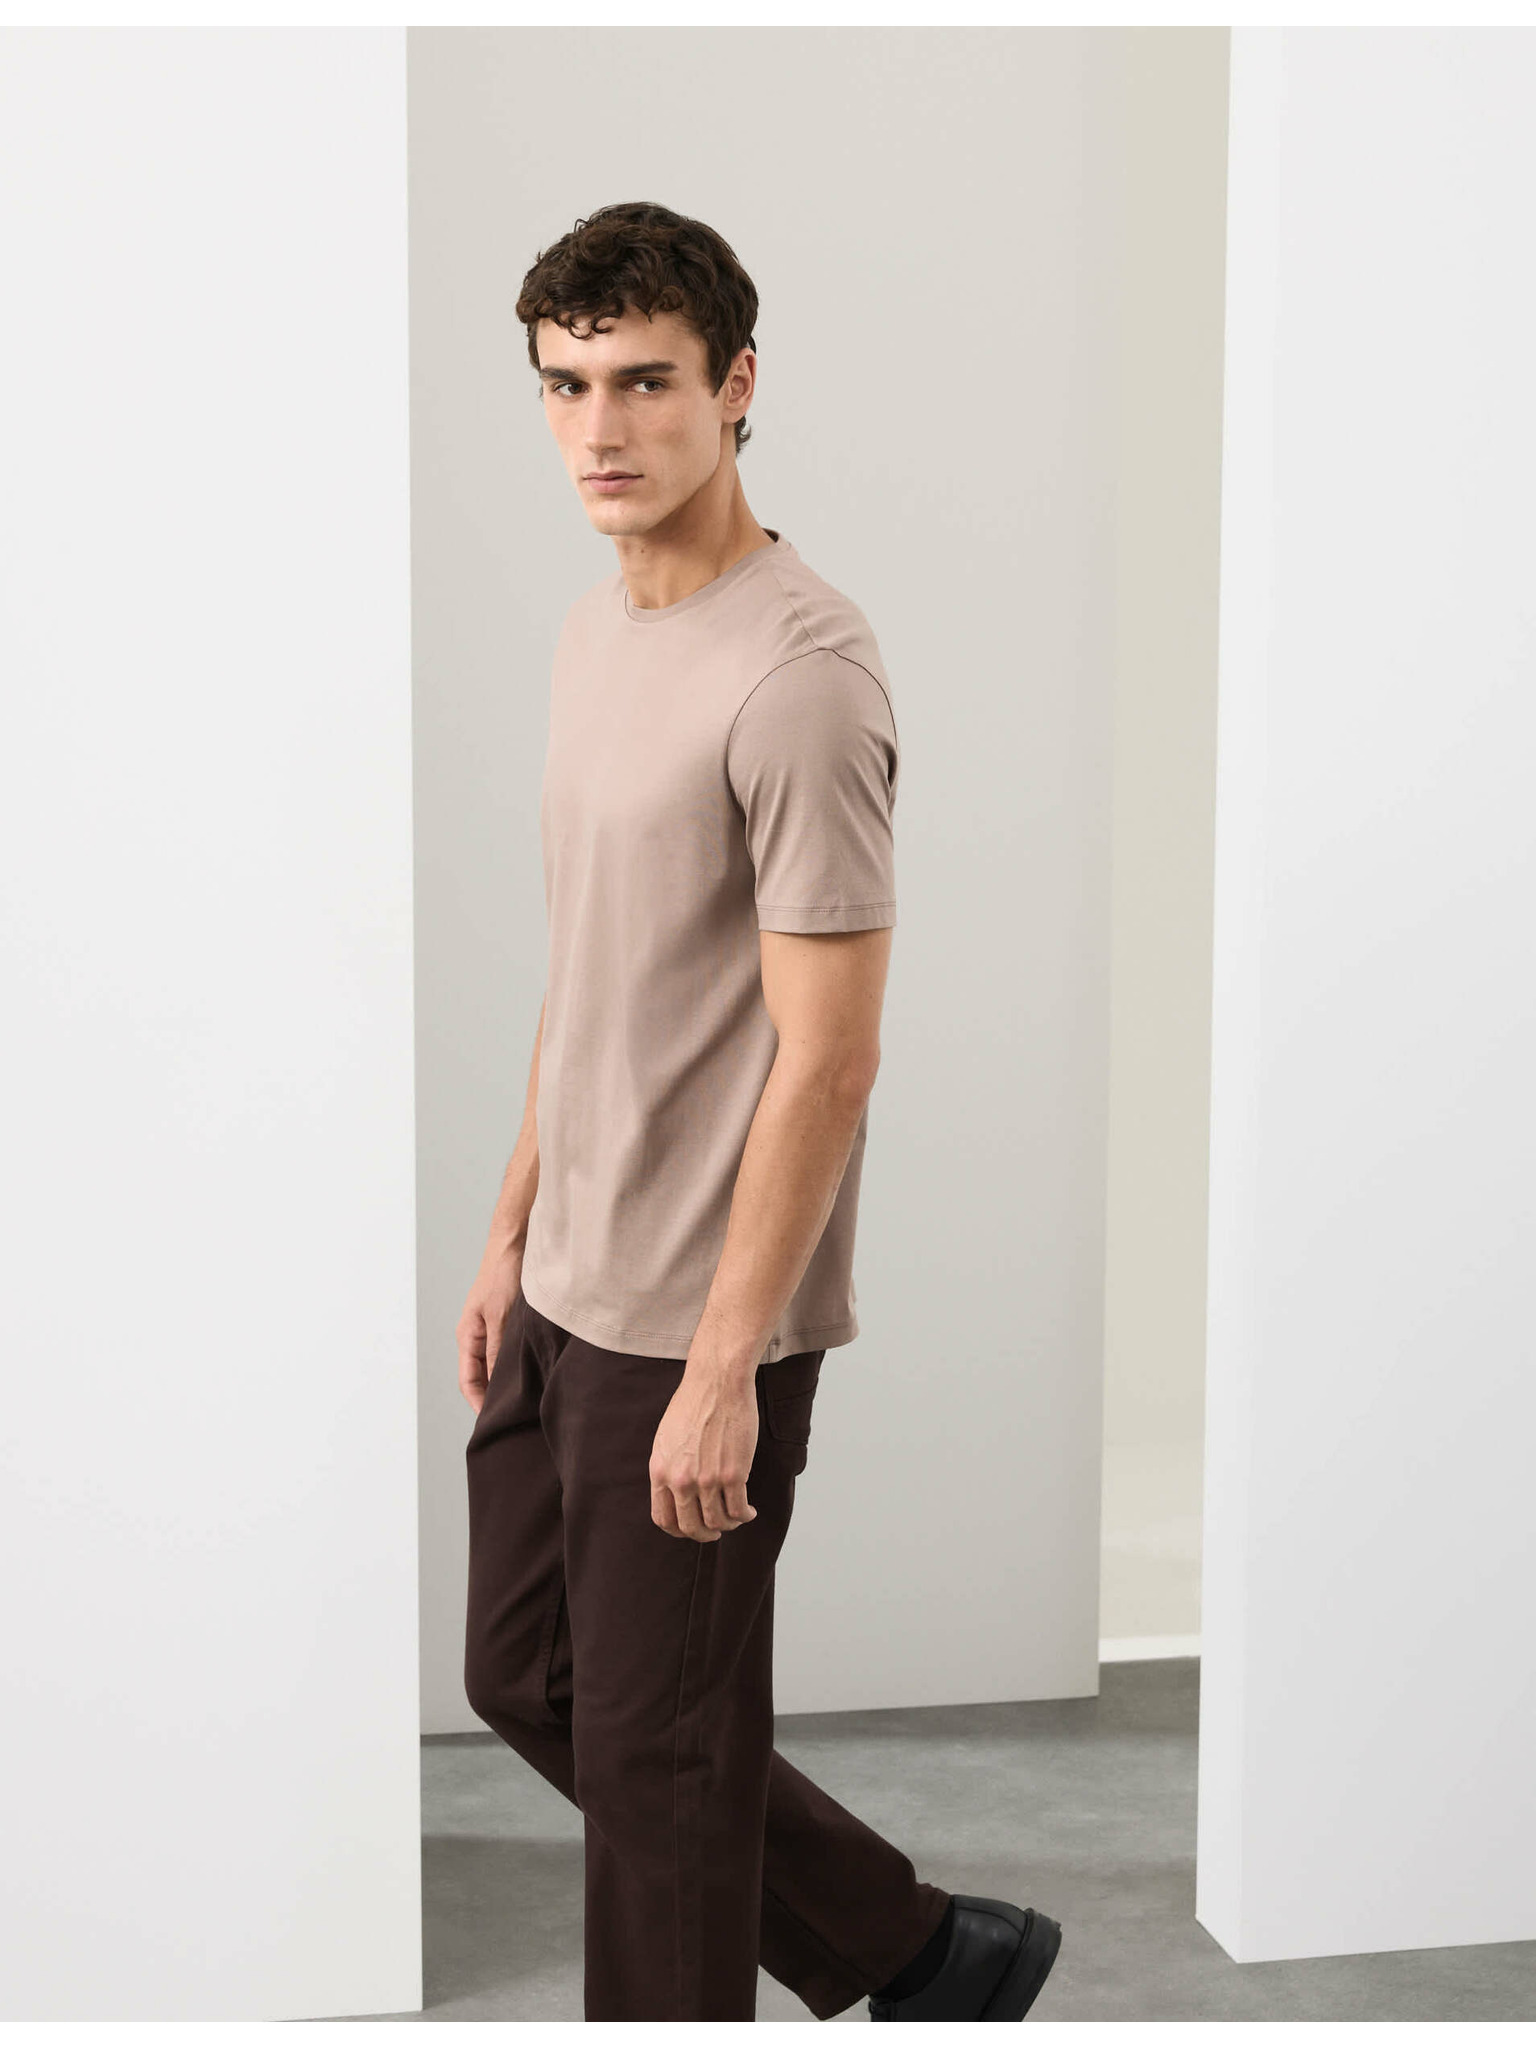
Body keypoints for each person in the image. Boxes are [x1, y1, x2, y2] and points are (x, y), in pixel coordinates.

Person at [456, 199, 1062, 2023]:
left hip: (692, 1318)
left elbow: (832, 1055)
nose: (601, 429)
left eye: (645, 383)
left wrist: (728, 1365)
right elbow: (594, 970)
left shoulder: (800, 678)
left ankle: (889, 1961)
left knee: (658, 1780)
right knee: (529, 1682)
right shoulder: (596, 632)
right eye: (566, 386)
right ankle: (922, 1950)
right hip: (566, 1282)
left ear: (734, 387)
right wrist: (508, 1230)